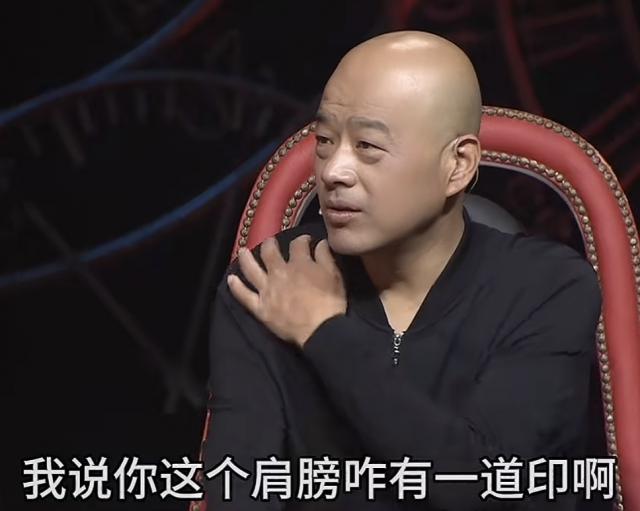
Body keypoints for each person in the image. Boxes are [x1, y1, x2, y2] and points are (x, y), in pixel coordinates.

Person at [202, 31, 602, 510]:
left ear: (458, 165)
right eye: (325, 141)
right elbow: (238, 489)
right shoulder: (271, 279)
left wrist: (324, 332)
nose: (333, 171)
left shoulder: (548, 290)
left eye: (368, 146)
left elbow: (486, 488)